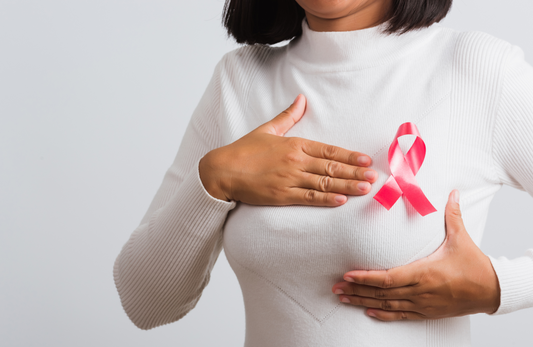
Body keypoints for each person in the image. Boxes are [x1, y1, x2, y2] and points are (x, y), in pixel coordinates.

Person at [113, 0, 533, 345]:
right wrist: (215, 178)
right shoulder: (240, 80)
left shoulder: (478, 70)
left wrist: (498, 286)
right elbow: (146, 303)